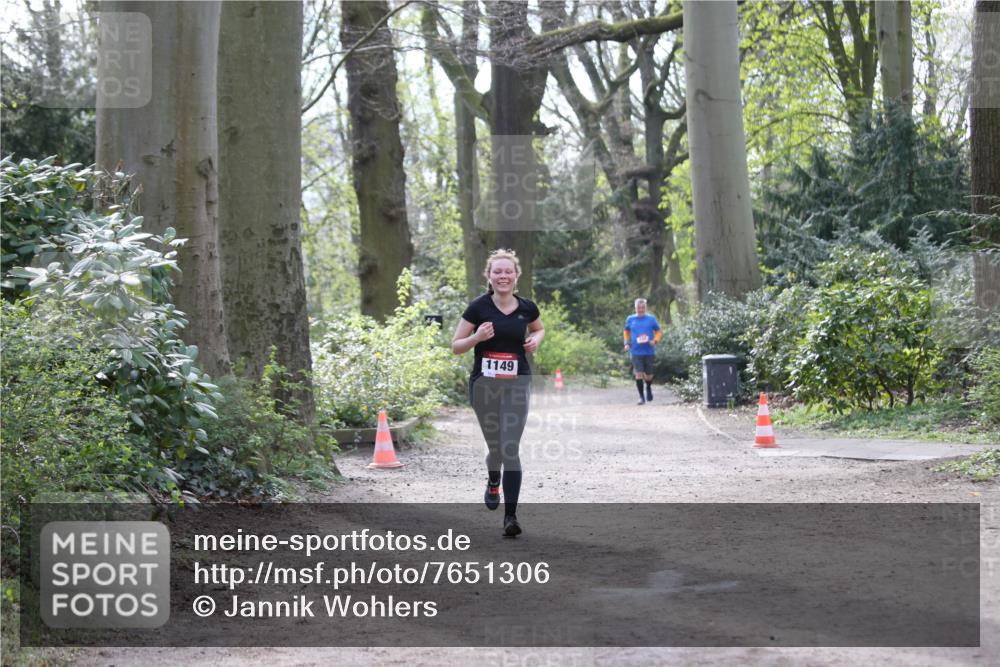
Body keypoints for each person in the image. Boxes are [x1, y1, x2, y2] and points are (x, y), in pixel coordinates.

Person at [452, 249, 544, 538]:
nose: (503, 276)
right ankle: (494, 480)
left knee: (510, 448)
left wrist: (535, 341)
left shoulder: (527, 307)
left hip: (517, 383)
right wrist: (476, 337)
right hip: (484, 386)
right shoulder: (478, 307)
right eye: (497, 272)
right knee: (496, 448)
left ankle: (511, 516)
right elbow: (456, 345)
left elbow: (540, 329)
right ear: (489, 277)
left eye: (508, 271)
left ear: (516, 275)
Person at [623, 298, 661, 405]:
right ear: (635, 308)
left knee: (649, 375)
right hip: (636, 351)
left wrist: (655, 340)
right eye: (638, 308)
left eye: (643, 307)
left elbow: (658, 331)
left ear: (645, 308)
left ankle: (648, 387)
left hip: (649, 351)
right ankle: (641, 397)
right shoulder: (630, 319)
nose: (640, 309)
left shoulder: (651, 319)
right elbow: (626, 331)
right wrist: (626, 343)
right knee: (638, 374)